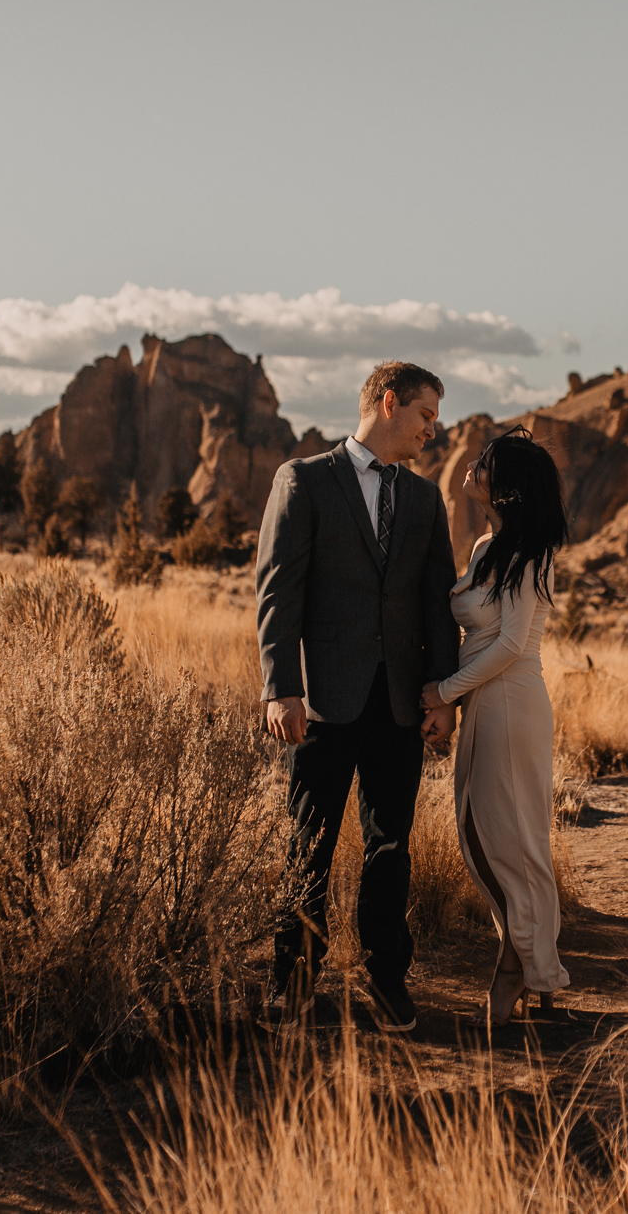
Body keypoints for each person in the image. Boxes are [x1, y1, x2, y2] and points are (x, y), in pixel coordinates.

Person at [255, 361, 460, 1034]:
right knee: (307, 841)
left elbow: (435, 604)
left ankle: (385, 978)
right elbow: (279, 590)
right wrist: (281, 686)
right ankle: (293, 979)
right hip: (322, 701)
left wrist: (440, 694)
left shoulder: (426, 500)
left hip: (399, 702)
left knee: (389, 845)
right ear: (389, 401)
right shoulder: (305, 480)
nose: (434, 429)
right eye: (426, 414)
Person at [421, 426, 569, 1026]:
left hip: (511, 704)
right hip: (487, 701)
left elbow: (510, 643)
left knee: (509, 843)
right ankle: (533, 968)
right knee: (486, 838)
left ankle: (527, 968)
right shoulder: (488, 547)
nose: (473, 468)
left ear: (505, 486)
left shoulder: (531, 553)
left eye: (485, 464)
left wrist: (444, 692)